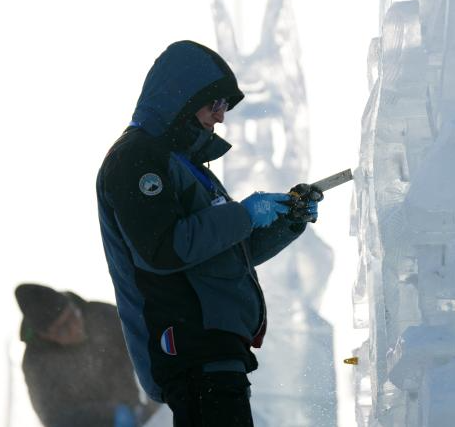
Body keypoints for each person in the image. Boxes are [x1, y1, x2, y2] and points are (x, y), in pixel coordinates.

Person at [96, 40, 322, 427]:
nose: (220, 118)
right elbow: (164, 248)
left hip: (215, 350)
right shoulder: (137, 159)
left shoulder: (184, 165)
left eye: (225, 108)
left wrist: (286, 221)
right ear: (183, 97)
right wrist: (244, 214)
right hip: (189, 350)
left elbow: (225, 249)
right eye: (214, 104)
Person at [15, 283, 149, 427]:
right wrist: (111, 415)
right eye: (63, 329)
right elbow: (53, 417)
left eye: (73, 315)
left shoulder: (101, 314)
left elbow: (144, 338)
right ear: (45, 336)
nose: (75, 328)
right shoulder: (37, 364)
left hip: (146, 402)